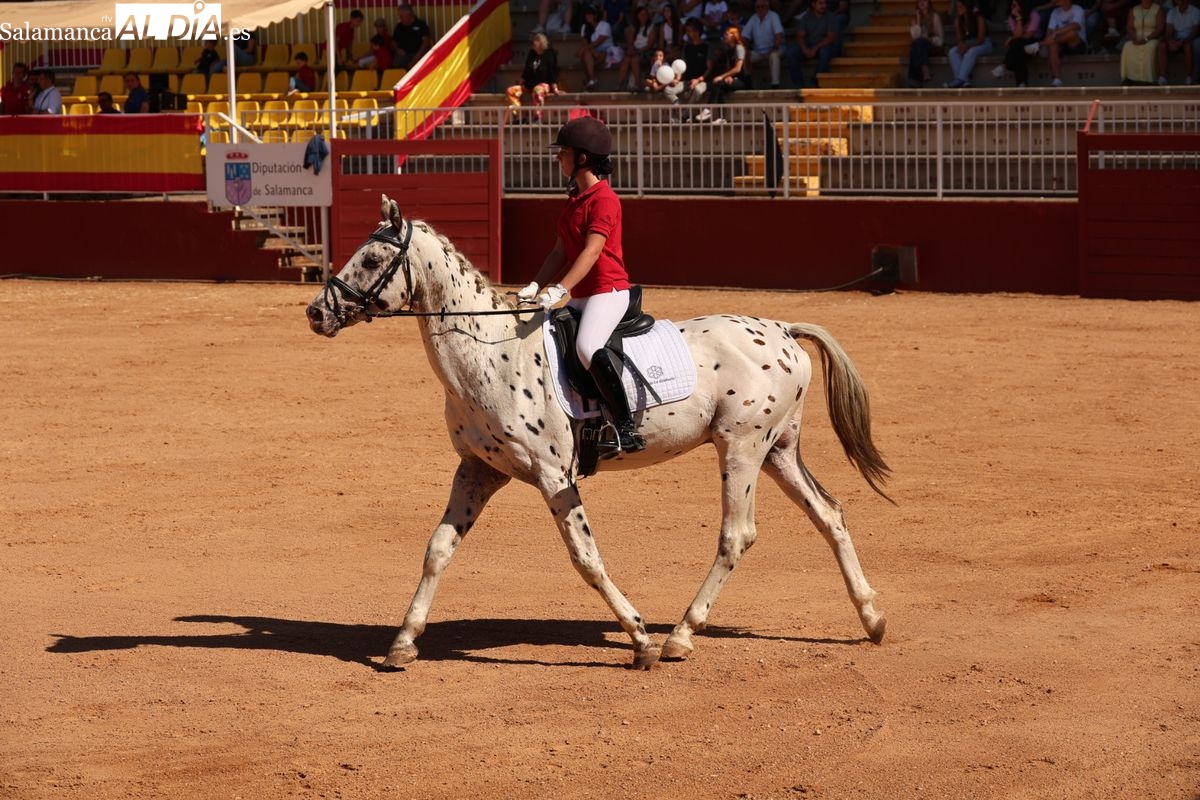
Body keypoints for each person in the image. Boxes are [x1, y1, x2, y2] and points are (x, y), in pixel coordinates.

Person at [518, 117, 646, 456]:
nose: (558, 157)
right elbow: (559, 251)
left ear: (583, 158)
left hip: (608, 292)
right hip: (583, 295)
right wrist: (534, 285)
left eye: (564, 152)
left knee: (588, 348)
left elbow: (592, 252)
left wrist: (559, 290)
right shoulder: (574, 199)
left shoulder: (604, 199)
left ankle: (625, 427)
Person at [506, 32, 560, 121]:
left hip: (543, 84)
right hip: (529, 84)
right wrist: (521, 81)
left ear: (542, 42)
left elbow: (552, 71)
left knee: (537, 90)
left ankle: (537, 117)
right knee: (511, 91)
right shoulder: (531, 54)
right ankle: (519, 116)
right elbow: (527, 70)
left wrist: (555, 87)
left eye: (536, 40)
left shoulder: (549, 54)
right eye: (534, 41)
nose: (534, 43)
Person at [788, 0, 840, 88]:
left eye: (824, 3)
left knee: (825, 53)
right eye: (820, 3)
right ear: (813, 5)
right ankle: (798, 84)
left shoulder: (830, 17)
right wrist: (805, 49)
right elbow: (800, 36)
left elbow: (830, 37)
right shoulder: (806, 17)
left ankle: (815, 82)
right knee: (792, 53)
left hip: (824, 45)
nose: (823, 6)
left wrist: (815, 48)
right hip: (809, 45)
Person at [701, 24, 747, 119]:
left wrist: (722, 76)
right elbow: (729, 68)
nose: (724, 36)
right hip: (732, 78)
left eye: (726, 34)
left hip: (742, 80)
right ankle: (722, 118)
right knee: (719, 87)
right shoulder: (728, 50)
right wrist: (727, 77)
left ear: (733, 36)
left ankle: (708, 109)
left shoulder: (739, 48)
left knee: (719, 82)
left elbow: (738, 68)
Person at [945, 0, 993, 87]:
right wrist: (961, 44)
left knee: (971, 52)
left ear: (967, 7)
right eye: (957, 7)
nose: (958, 9)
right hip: (967, 43)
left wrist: (967, 46)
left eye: (961, 6)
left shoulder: (979, 17)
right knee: (952, 51)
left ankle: (960, 79)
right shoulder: (958, 20)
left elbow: (981, 39)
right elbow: (959, 38)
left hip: (983, 43)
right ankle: (965, 81)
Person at [995, 0, 1044, 85]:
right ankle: (1022, 83)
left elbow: (1029, 35)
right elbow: (1018, 34)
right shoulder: (1011, 17)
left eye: (1015, 5)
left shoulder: (1033, 14)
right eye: (1012, 5)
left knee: (1016, 45)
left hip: (1035, 44)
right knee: (1018, 52)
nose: (1013, 7)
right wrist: (1018, 18)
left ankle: (1005, 65)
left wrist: (1012, 38)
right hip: (1021, 46)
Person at [1040, 0, 1088, 86]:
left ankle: (1042, 44)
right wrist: (1048, 51)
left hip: (1077, 45)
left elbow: (1075, 25)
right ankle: (1057, 79)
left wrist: (1057, 32)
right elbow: (1049, 32)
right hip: (1061, 45)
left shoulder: (1078, 9)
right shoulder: (1055, 12)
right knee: (1053, 45)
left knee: (1072, 33)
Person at [667, 18, 712, 109]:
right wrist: (677, 79)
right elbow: (681, 66)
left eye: (689, 30)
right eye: (687, 31)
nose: (687, 33)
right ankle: (682, 108)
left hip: (702, 81)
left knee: (697, 90)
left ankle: (685, 113)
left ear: (697, 31)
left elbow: (709, 68)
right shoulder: (687, 47)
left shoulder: (707, 47)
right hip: (687, 81)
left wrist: (698, 80)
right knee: (668, 90)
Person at [1120, 0, 1165, 83]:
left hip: (1152, 37)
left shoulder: (1158, 9)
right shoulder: (1133, 10)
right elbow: (1129, 27)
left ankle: (1149, 79)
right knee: (1127, 46)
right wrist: (1135, 38)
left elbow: (1159, 28)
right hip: (1137, 37)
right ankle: (1129, 78)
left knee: (1150, 47)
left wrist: (1146, 39)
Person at [741, 0, 783, 87]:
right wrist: (746, 49)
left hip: (775, 48)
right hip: (759, 52)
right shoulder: (753, 18)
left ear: (767, 7)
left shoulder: (773, 16)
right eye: (757, 7)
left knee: (774, 55)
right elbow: (744, 35)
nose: (760, 9)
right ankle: (747, 82)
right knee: (743, 54)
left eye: (762, 6)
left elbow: (779, 34)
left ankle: (775, 84)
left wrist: (775, 47)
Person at [618, 4, 659, 90]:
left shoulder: (652, 27)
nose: (644, 17)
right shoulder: (633, 28)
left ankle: (637, 84)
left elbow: (649, 45)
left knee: (634, 59)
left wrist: (637, 51)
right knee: (626, 59)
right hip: (635, 50)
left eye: (645, 14)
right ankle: (620, 85)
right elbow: (630, 44)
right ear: (637, 16)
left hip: (647, 51)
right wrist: (632, 50)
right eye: (642, 14)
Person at [1159, 0, 1200, 84]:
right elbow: (1168, 32)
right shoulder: (1172, 12)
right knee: (1162, 46)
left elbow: (1195, 32)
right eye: (1179, 0)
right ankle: (1163, 77)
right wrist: (1171, 42)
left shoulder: (1196, 11)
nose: (1181, 2)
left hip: (1189, 39)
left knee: (1187, 46)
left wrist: (1183, 41)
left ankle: (1189, 77)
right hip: (1176, 38)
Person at [905, 0, 944, 87]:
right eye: (919, 1)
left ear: (929, 3)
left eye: (924, 1)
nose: (922, 3)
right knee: (918, 43)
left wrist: (929, 39)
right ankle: (924, 71)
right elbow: (915, 36)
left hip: (933, 47)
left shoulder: (935, 16)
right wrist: (918, 20)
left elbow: (941, 41)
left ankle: (914, 78)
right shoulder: (915, 18)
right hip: (920, 47)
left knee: (918, 44)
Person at [578, 4, 616, 90]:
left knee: (585, 54)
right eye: (586, 14)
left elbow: (599, 41)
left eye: (590, 14)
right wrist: (589, 50)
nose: (587, 16)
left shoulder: (605, 25)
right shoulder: (584, 27)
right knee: (586, 54)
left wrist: (584, 49)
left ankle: (590, 80)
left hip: (607, 51)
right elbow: (584, 42)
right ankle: (592, 79)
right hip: (593, 52)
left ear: (595, 15)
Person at [392, 3, 434, 70]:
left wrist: (418, 55)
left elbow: (426, 42)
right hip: (404, 55)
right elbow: (393, 42)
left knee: (423, 62)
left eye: (401, 16)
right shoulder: (399, 26)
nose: (400, 18)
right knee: (396, 63)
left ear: (409, 15)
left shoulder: (421, 25)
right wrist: (398, 50)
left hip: (418, 53)